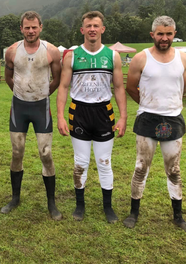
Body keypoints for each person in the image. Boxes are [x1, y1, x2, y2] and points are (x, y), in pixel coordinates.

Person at [124, 16, 186, 234]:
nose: (164, 38)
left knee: (173, 169)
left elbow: (183, 86)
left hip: (173, 119)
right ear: (152, 34)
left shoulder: (184, 59)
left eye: (169, 33)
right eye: (160, 34)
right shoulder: (140, 58)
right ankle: (133, 212)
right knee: (140, 168)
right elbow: (131, 87)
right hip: (147, 119)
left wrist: (169, 107)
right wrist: (148, 105)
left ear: (174, 34)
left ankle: (178, 216)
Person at [57, 11, 127, 223]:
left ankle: (108, 207)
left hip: (103, 112)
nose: (92, 29)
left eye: (96, 26)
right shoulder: (72, 55)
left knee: (104, 162)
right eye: (88, 26)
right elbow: (63, 86)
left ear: (102, 29)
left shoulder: (112, 56)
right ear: (82, 30)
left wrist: (123, 117)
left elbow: (119, 88)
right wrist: (60, 116)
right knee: (81, 162)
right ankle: (80, 205)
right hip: (79, 112)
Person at [1, 11, 63, 221]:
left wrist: (42, 95)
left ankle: (51, 203)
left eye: (34, 27)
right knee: (17, 152)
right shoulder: (11, 51)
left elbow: (57, 78)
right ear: (21, 29)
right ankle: (15, 198)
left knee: (46, 153)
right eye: (27, 27)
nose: (30, 31)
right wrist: (20, 94)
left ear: (40, 27)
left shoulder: (52, 51)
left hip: (41, 107)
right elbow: (8, 77)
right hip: (19, 107)